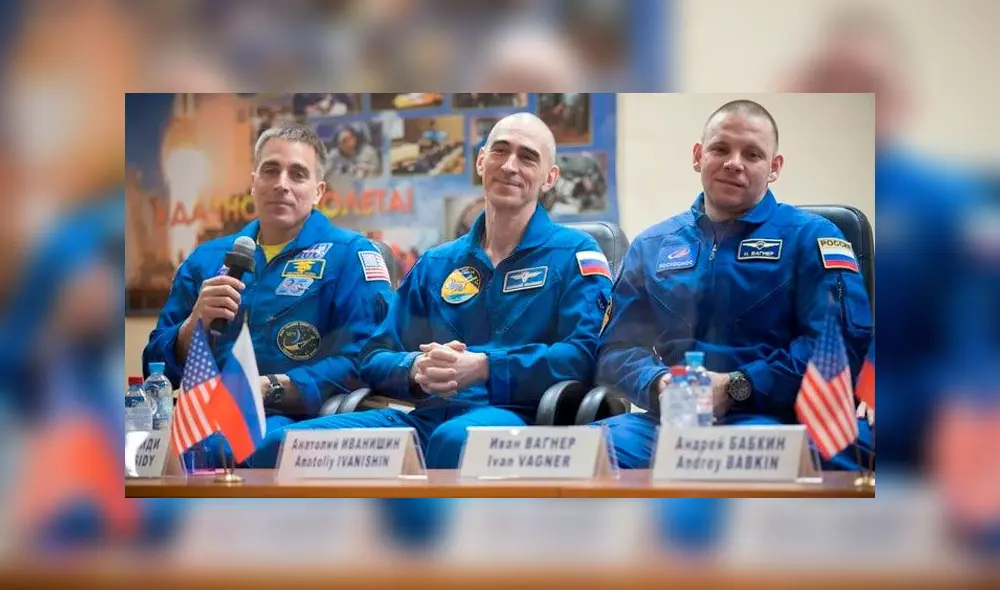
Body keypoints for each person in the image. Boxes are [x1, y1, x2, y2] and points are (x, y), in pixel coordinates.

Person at [250, 113, 613, 469]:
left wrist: (486, 366)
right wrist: (416, 369)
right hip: (425, 419)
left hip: (521, 419)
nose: (510, 165)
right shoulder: (437, 264)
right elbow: (374, 356)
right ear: (481, 161)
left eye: (527, 157)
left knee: (454, 442)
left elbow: (581, 355)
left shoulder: (575, 254)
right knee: (280, 447)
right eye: (500, 151)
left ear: (550, 178)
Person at [593, 100, 874, 471]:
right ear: (698, 156)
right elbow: (616, 349)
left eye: (753, 154)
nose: (734, 163)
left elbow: (835, 349)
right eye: (720, 148)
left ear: (774, 168)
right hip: (670, 423)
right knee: (578, 455)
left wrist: (736, 386)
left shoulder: (813, 238)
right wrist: (660, 384)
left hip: (774, 418)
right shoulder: (652, 246)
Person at [142, 123, 393, 466]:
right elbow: (154, 366)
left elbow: (368, 359)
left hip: (294, 419)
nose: (281, 184)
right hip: (201, 416)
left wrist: (272, 386)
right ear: (254, 181)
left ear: (318, 190)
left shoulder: (351, 255)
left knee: (233, 449)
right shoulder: (206, 260)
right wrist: (193, 325)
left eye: (297, 174)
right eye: (270, 170)